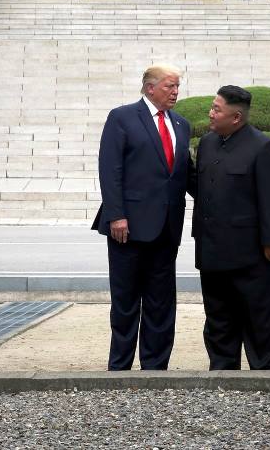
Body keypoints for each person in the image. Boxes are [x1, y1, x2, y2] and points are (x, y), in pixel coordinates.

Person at [92, 65, 195, 370]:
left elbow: (184, 173)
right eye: (169, 87)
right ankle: (120, 366)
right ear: (150, 88)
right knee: (125, 301)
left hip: (167, 227)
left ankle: (156, 366)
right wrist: (116, 214)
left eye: (177, 87)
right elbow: (110, 169)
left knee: (161, 301)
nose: (175, 92)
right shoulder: (122, 117)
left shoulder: (181, 123)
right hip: (128, 227)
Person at [192, 85, 270, 370]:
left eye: (216, 109)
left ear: (236, 117)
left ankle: (268, 372)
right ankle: (222, 369)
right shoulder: (208, 143)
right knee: (218, 316)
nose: (210, 113)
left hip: (251, 252)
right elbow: (202, 188)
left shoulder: (262, 146)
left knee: (261, 316)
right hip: (211, 249)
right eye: (212, 106)